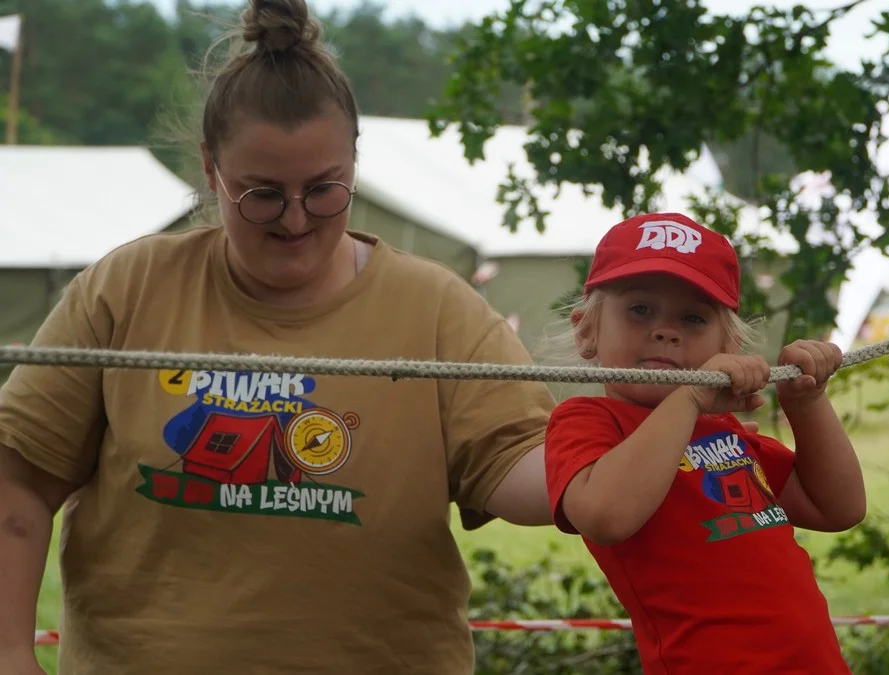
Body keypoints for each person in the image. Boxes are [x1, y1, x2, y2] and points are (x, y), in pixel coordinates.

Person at [0, 1, 559, 673]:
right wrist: (9, 653)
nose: (296, 221)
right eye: (261, 194)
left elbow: (523, 472)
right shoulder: (128, 289)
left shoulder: (436, 309)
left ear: (354, 163)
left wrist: (632, 430)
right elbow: (17, 484)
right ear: (210, 170)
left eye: (325, 189)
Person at [543, 212, 867, 674]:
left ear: (727, 348)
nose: (665, 331)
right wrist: (691, 396)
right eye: (640, 309)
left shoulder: (725, 432)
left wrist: (807, 401)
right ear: (585, 331)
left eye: (692, 318)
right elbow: (605, 515)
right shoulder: (586, 420)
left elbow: (838, 507)